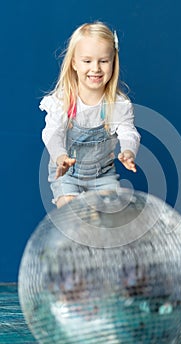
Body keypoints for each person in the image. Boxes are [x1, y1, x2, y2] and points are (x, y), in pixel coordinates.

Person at [40, 21, 141, 208]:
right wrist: (60, 157)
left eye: (103, 61)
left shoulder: (118, 104)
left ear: (113, 62)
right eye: (87, 61)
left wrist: (128, 151)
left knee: (109, 214)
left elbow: (129, 132)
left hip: (103, 175)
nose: (96, 68)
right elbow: (53, 133)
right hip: (67, 174)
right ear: (74, 63)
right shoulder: (63, 101)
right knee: (72, 214)